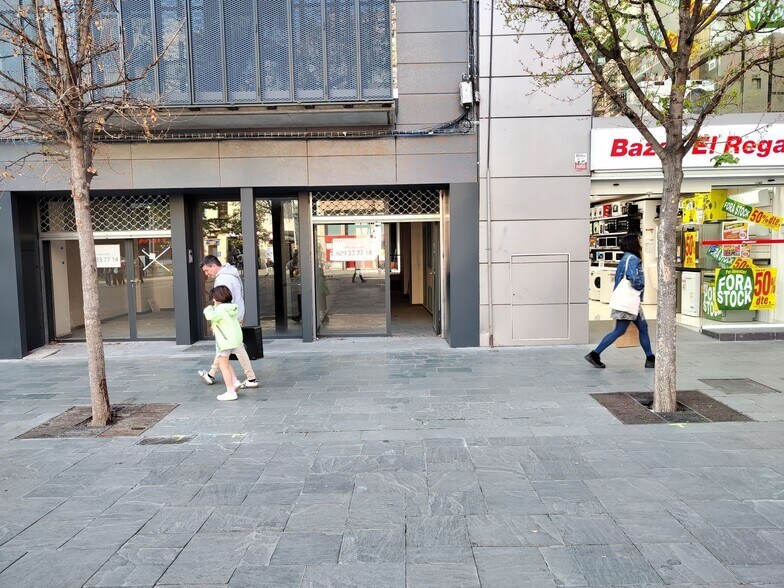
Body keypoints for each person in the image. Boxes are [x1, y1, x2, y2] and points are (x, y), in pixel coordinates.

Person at [585, 234, 655, 369]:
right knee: (620, 330)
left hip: (630, 301)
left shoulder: (625, 258)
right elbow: (633, 277)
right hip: (628, 301)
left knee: (643, 327)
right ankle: (594, 354)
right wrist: (640, 287)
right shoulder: (632, 259)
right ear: (633, 243)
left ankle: (650, 358)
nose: (640, 242)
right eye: (639, 240)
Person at [197, 255, 259, 389]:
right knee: (235, 348)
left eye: (207, 270)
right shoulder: (232, 273)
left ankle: (229, 382)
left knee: (223, 349)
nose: (207, 274)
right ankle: (249, 378)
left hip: (226, 319)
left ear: (214, 265)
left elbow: (220, 301)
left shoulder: (222, 279)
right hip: (235, 314)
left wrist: (214, 320)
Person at [203, 286, 243, 401]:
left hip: (225, 341)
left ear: (217, 298)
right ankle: (234, 381)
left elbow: (209, 316)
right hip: (234, 340)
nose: (213, 300)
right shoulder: (231, 307)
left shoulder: (220, 310)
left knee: (223, 366)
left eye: (214, 298)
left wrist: (208, 308)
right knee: (226, 362)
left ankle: (231, 392)